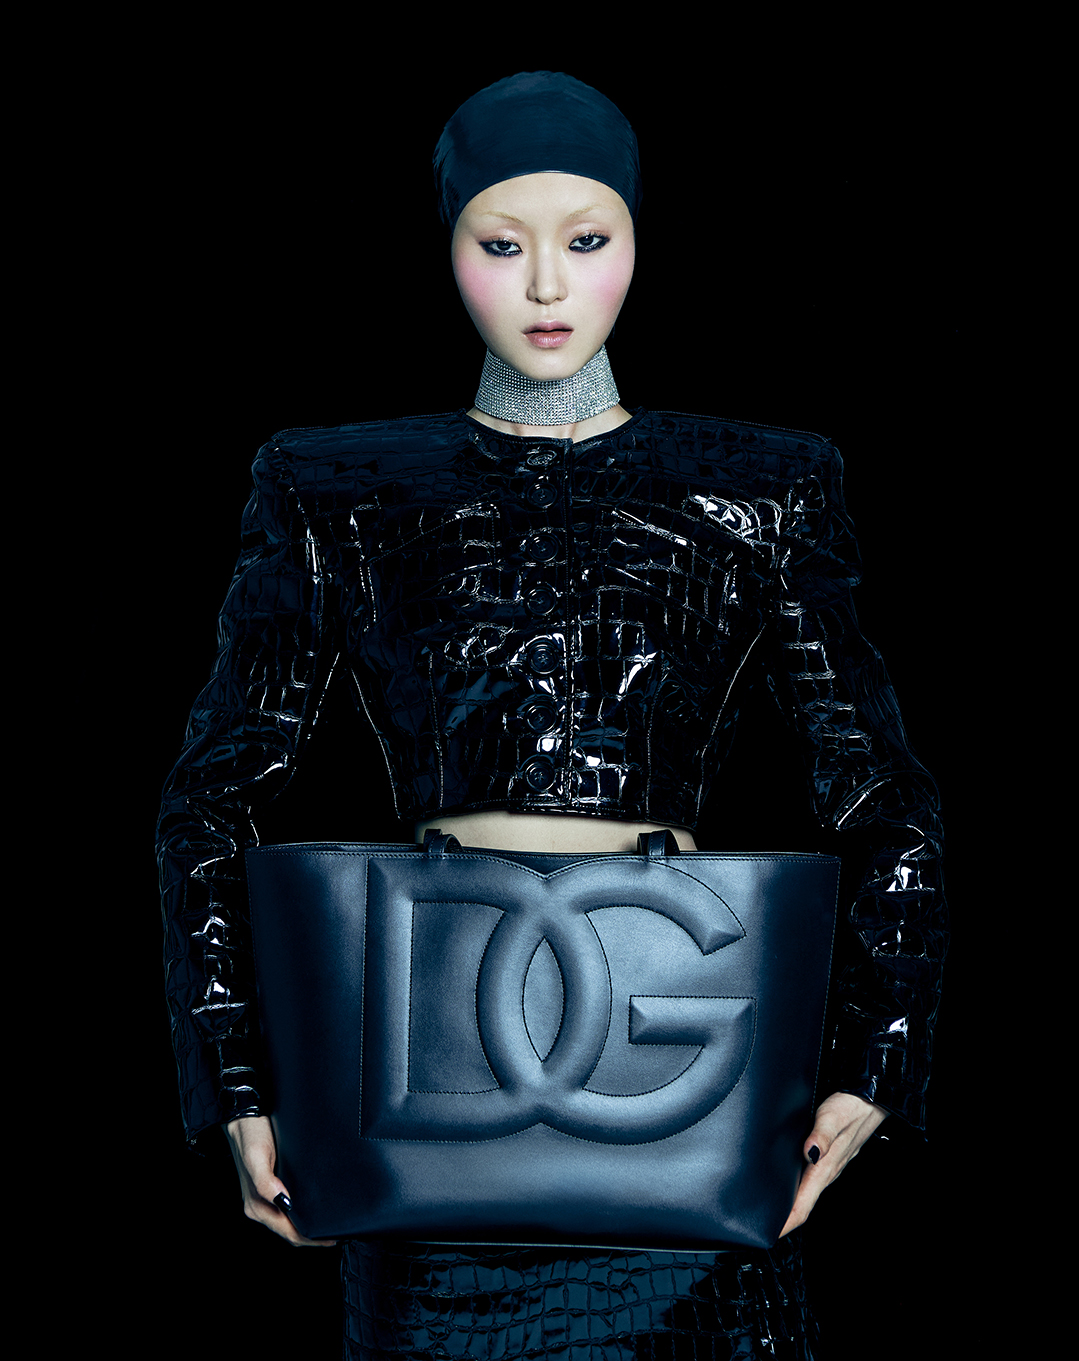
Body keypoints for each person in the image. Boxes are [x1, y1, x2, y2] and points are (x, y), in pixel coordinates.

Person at [158, 71, 947, 1360]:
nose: (543, 287)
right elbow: (210, 797)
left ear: (637, 242)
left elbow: (886, 795)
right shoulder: (337, 487)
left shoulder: (761, 486)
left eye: (585, 241)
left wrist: (877, 1060)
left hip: (684, 1081)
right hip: (428, 1093)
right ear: (449, 247)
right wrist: (237, 1082)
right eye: (500, 244)